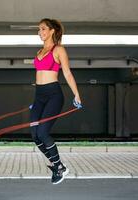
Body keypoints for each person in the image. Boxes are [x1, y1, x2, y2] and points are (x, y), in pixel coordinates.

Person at [30, 18, 82, 184]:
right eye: (39, 30)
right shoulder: (39, 52)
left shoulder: (58, 49)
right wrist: (36, 99)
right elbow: (38, 76)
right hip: (39, 96)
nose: (40, 32)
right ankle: (58, 165)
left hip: (53, 95)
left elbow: (67, 73)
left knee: (43, 132)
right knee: (35, 136)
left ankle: (58, 167)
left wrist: (77, 95)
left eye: (43, 29)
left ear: (52, 31)